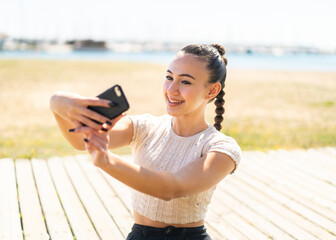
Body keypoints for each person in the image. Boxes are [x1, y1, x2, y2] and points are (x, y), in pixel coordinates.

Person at [50, 44, 241, 240]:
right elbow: (80, 142)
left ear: (212, 91)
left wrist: (107, 161)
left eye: (185, 82)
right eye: (169, 78)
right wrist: (57, 103)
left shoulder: (222, 149)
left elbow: (172, 188)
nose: (172, 90)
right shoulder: (144, 127)